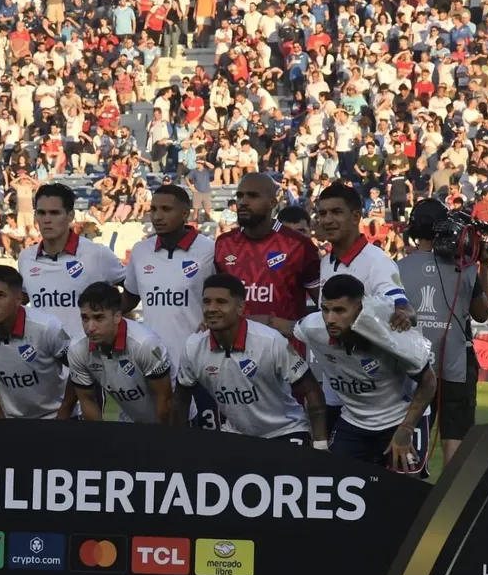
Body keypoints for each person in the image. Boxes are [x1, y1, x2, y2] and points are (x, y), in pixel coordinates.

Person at [293, 274, 437, 472]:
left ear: (360, 308)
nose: (330, 319)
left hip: (399, 419)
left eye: (339, 310)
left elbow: (429, 382)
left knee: (403, 491)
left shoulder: (393, 334)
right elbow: (280, 326)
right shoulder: (312, 327)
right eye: (325, 310)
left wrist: (406, 428)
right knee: (333, 483)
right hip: (354, 421)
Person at [170, 273, 327, 444]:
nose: (211, 308)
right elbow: (180, 399)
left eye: (221, 302)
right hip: (236, 434)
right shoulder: (193, 346)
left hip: (286, 431)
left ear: (240, 307)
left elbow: (312, 390)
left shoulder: (271, 341)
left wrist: (320, 445)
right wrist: (178, 445)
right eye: (207, 302)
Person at [397, 199, 488, 466]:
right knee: (455, 441)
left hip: (410, 366)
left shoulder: (398, 268)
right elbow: (482, 312)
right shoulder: (465, 266)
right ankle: (454, 503)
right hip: (456, 364)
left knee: (410, 438)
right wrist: (484, 268)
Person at [311, 182, 415, 435]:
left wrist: (404, 311)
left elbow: (399, 300)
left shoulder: (375, 261)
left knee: (391, 475)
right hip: (342, 393)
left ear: (356, 216)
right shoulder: (326, 263)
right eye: (322, 213)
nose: (327, 219)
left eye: (336, 212)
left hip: (381, 400)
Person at [122, 185, 215, 427]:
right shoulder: (141, 251)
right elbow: (129, 299)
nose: (157, 216)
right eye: (153, 209)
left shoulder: (209, 249)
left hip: (199, 365)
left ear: (185, 213)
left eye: (166, 209)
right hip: (153, 368)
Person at [213, 173, 321, 351]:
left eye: (252, 196)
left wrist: (287, 326)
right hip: (234, 354)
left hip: (286, 356)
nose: (243, 202)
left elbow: (325, 305)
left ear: (273, 202)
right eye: (240, 196)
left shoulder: (298, 245)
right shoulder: (224, 244)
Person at [0, 266, 75, 419]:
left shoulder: (47, 327)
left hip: (56, 415)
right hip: (13, 419)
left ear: (18, 299)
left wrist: (64, 413)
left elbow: (78, 370)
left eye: (0, 295)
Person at [18, 183, 127, 338]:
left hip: (88, 358)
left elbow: (133, 290)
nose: (47, 220)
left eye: (55, 213)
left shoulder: (97, 254)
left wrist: (108, 319)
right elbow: (20, 301)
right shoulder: (25, 258)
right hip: (44, 358)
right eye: (41, 213)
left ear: (70, 216)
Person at [68, 282, 174, 424]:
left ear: (117, 317)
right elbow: (87, 400)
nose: (90, 327)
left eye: (98, 318)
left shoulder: (145, 344)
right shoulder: (77, 348)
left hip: (173, 420)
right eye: (85, 318)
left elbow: (165, 399)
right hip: (131, 420)